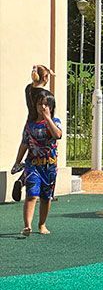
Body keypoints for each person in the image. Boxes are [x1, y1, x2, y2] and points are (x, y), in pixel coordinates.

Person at [16, 90, 62, 236]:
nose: (42, 107)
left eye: (46, 104)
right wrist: (17, 162)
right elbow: (24, 144)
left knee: (45, 197)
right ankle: (27, 226)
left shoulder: (55, 122)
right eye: (39, 104)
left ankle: (42, 224)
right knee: (31, 194)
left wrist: (47, 118)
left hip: (49, 166)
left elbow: (57, 135)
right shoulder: (30, 126)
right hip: (33, 164)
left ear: (51, 107)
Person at [11, 65, 55, 201]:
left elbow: (35, 80)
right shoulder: (44, 95)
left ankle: (17, 164)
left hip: (29, 123)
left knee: (25, 145)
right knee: (39, 158)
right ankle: (43, 189)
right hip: (41, 126)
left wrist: (42, 70)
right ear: (45, 78)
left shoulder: (28, 89)